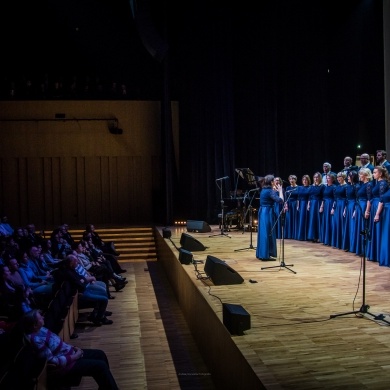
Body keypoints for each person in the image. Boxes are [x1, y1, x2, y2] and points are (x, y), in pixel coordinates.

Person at [21, 309, 119, 389]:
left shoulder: (41, 329)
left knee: (100, 354)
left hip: (69, 353)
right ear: (34, 325)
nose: (43, 317)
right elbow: (53, 361)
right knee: (100, 366)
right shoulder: (36, 340)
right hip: (64, 366)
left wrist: (73, 347)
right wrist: (75, 356)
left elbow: (58, 343)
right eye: (40, 318)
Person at [255, 175, 284, 261]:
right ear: (271, 182)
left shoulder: (264, 190)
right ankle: (265, 255)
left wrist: (274, 191)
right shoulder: (270, 191)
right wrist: (280, 191)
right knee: (268, 233)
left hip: (263, 211)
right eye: (274, 181)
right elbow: (280, 200)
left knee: (263, 232)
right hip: (268, 212)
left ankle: (262, 253)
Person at [365, 166, 389, 262]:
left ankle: (378, 254)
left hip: (378, 207)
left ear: (380, 174)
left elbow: (382, 199)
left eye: (375, 172)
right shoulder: (377, 182)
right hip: (375, 205)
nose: (373, 174)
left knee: (378, 230)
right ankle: (374, 254)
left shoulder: (382, 183)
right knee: (374, 230)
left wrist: (377, 213)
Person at [354, 168, 374, 256]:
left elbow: (369, 199)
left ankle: (365, 249)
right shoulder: (362, 184)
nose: (359, 176)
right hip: (360, 206)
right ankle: (360, 248)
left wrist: (367, 210)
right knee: (360, 227)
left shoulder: (369, 185)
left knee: (364, 227)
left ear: (365, 175)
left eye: (360, 174)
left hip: (364, 206)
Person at [343, 171, 360, 253]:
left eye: (350, 176)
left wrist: (355, 210)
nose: (348, 178)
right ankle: (348, 245)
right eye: (348, 176)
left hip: (354, 206)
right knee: (348, 226)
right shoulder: (348, 186)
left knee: (353, 227)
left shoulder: (357, 186)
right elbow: (347, 198)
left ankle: (353, 246)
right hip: (349, 206)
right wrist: (345, 209)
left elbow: (357, 199)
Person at [330, 172, 348, 250]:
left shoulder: (346, 186)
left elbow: (348, 198)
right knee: (336, 224)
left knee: (342, 224)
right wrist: (333, 208)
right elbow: (335, 198)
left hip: (343, 205)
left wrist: (345, 209)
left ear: (343, 177)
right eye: (337, 177)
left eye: (339, 177)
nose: (338, 179)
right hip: (337, 206)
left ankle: (343, 244)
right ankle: (337, 243)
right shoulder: (337, 187)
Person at [374, 187, 390, 266]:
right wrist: (377, 214)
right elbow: (381, 201)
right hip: (386, 213)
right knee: (386, 235)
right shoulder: (388, 189)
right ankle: (385, 258)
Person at [320, 173, 337, 246]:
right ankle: (325, 239)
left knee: (330, 223)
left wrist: (333, 208)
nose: (327, 179)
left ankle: (329, 240)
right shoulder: (325, 187)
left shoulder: (334, 187)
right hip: (326, 204)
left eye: (329, 178)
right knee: (325, 221)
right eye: (326, 178)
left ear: (333, 179)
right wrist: (321, 206)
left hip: (330, 204)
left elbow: (335, 199)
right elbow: (323, 198)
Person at [307, 172, 324, 243]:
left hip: (318, 204)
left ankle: (319, 237)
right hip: (312, 204)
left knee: (318, 220)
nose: (316, 179)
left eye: (317, 177)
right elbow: (310, 196)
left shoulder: (322, 186)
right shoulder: (312, 186)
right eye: (314, 177)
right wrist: (308, 204)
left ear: (320, 178)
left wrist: (322, 206)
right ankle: (313, 236)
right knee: (312, 220)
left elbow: (323, 197)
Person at [296, 175, 311, 241]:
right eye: (303, 180)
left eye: (306, 180)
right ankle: (301, 236)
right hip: (301, 204)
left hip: (307, 204)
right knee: (301, 220)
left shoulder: (310, 188)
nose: (304, 181)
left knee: (306, 219)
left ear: (308, 181)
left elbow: (310, 197)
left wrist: (308, 204)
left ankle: (306, 236)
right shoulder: (300, 187)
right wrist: (298, 205)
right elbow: (298, 197)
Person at [284, 175, 299, 239]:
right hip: (289, 204)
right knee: (288, 219)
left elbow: (299, 197)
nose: (291, 180)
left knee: (295, 219)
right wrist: (286, 205)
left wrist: (298, 205)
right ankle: (289, 234)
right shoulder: (287, 188)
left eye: (293, 179)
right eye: (290, 179)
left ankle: (294, 235)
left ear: (295, 180)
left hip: (295, 204)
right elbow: (285, 197)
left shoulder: (298, 187)